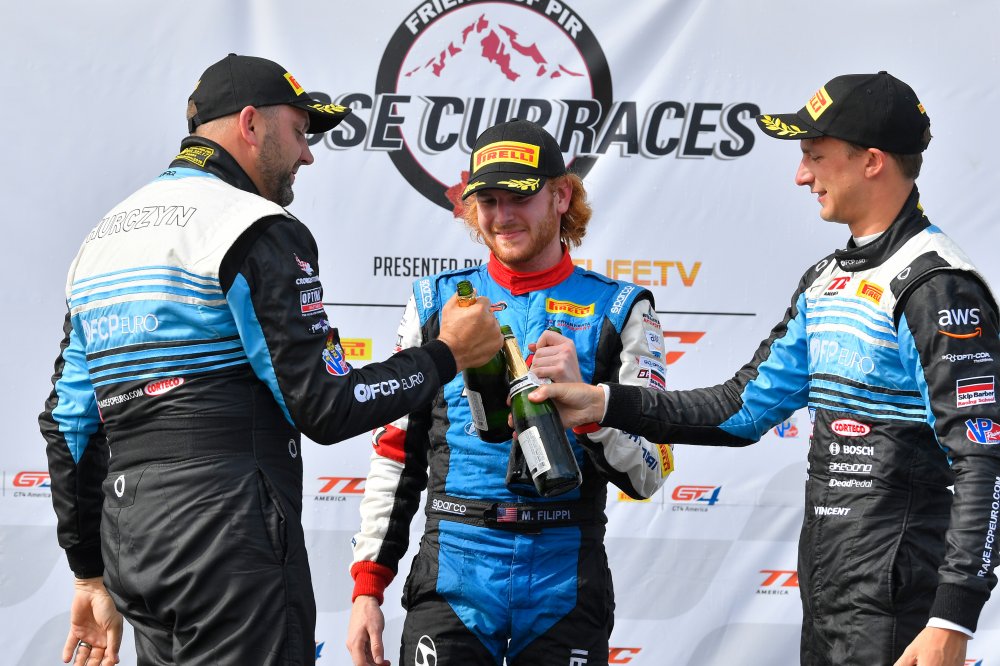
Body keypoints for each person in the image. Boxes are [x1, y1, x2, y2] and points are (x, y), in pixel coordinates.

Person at [38, 53, 502, 666]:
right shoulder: (255, 225)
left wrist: (87, 574)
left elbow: (68, 425)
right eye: (300, 131)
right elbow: (328, 406)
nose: (308, 155)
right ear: (251, 123)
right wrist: (447, 354)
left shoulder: (103, 239)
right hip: (228, 539)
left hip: (133, 544)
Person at [528, 72, 1000, 666]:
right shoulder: (827, 280)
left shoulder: (936, 285)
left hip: (901, 601)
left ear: (872, 161)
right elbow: (739, 408)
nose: (801, 175)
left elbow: (984, 457)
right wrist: (602, 402)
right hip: (830, 590)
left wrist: (952, 617)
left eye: (815, 156)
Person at [345, 119, 674, 666]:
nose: (501, 217)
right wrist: (367, 588)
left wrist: (588, 407)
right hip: (456, 567)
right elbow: (397, 452)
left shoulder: (621, 309)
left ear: (561, 196)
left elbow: (651, 470)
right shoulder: (436, 303)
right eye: (488, 201)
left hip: (563, 574)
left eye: (519, 198)